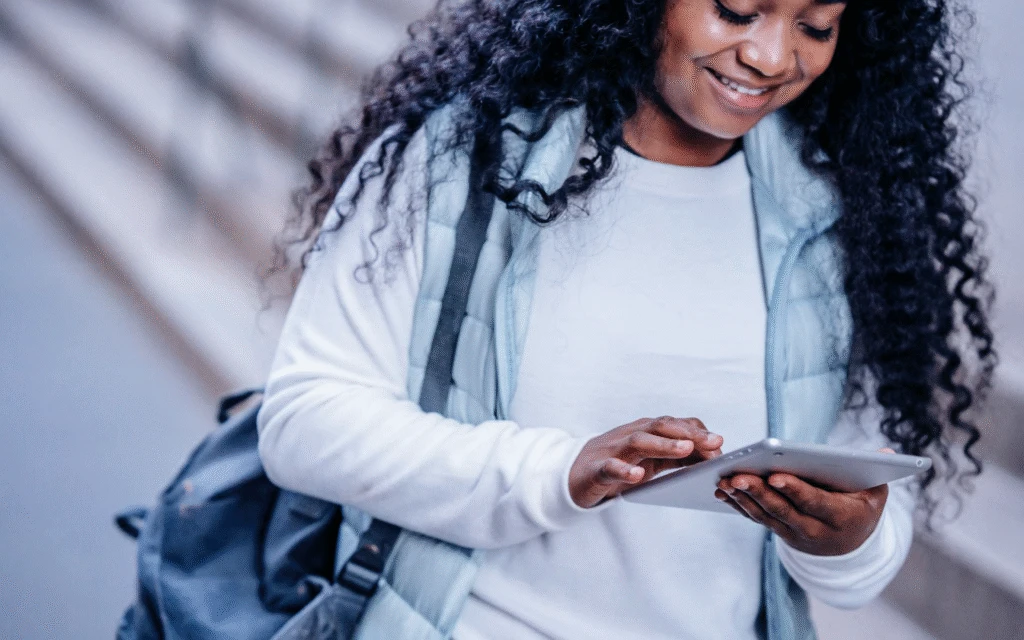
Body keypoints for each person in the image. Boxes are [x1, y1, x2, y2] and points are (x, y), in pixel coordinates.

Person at [257, 0, 995, 638]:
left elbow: (862, 555)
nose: (772, 56)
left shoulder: (841, 218)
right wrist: (559, 473)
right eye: (736, 12)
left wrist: (849, 539)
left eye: (816, 26)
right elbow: (306, 422)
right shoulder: (463, 165)